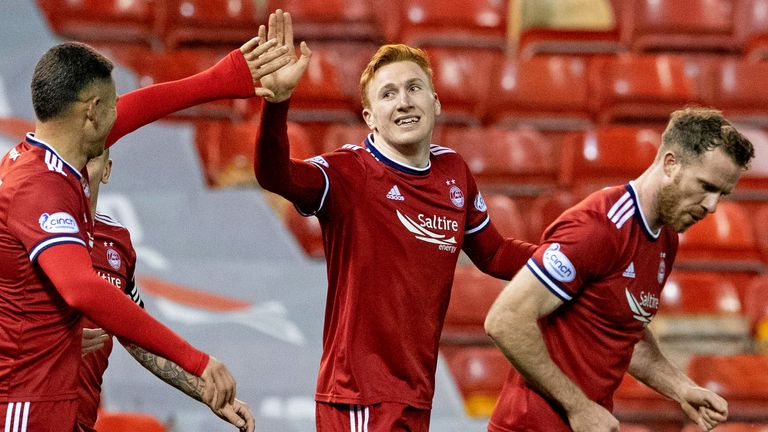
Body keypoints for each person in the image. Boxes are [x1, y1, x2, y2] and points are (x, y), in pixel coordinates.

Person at [253, 10, 538, 431]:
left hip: (415, 394)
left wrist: (571, 261)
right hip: (358, 397)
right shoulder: (349, 173)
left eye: (413, 88)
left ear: (435, 102)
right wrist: (277, 106)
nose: (403, 101)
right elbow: (274, 174)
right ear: (369, 118)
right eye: (387, 94)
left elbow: (493, 252)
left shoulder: (453, 172)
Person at [0, 35, 287, 431]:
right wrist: (196, 359)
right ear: (93, 112)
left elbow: (139, 108)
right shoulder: (38, 186)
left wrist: (222, 79)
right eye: (112, 105)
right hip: (25, 407)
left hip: (59, 407)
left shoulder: (55, 161)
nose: (121, 114)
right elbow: (81, 289)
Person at [484, 107, 755, 432]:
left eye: (721, 194)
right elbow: (505, 319)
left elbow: (627, 335)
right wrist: (578, 406)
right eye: (706, 186)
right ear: (670, 164)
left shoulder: (665, 239)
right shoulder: (597, 228)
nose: (712, 206)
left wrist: (682, 389)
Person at [77, 149, 254, 431]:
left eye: (91, 157)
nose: (80, 167)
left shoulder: (117, 242)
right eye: (71, 155)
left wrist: (206, 391)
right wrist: (49, 335)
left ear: (107, 170)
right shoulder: (23, 228)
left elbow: (138, 335)